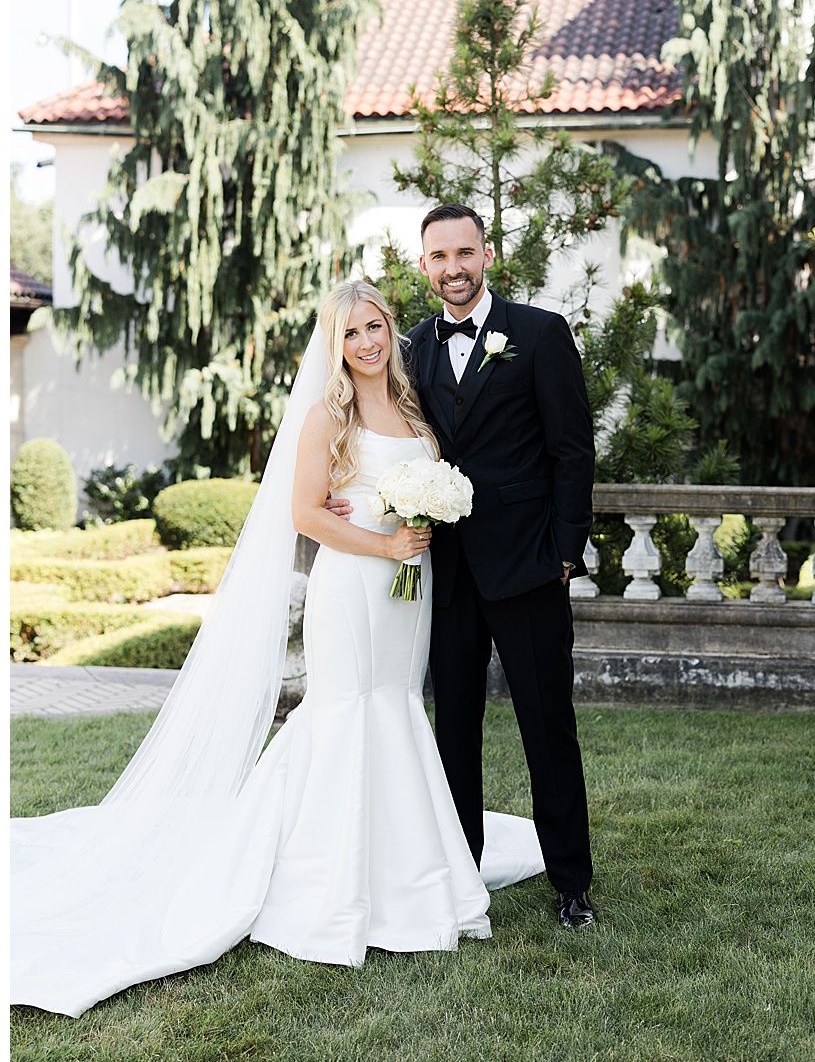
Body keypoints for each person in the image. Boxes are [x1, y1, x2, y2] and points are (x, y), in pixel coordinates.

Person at [11, 281, 544, 1018]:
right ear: (334, 342)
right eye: (352, 331)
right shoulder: (329, 415)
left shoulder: (413, 404)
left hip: (407, 587)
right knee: (347, 710)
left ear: (392, 331)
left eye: (376, 326)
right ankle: (324, 885)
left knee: (393, 705)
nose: (367, 342)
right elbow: (304, 514)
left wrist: (418, 528)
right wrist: (386, 541)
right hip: (356, 581)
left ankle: (406, 871)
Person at [402, 203, 597, 929]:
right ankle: (462, 880)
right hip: (447, 579)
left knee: (548, 725)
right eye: (438, 256)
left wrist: (565, 552)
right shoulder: (413, 346)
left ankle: (572, 882)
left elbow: (572, 449)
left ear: (487, 254)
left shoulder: (540, 333)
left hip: (528, 570)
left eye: (463, 252)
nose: (452, 267)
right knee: (453, 730)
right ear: (424, 266)